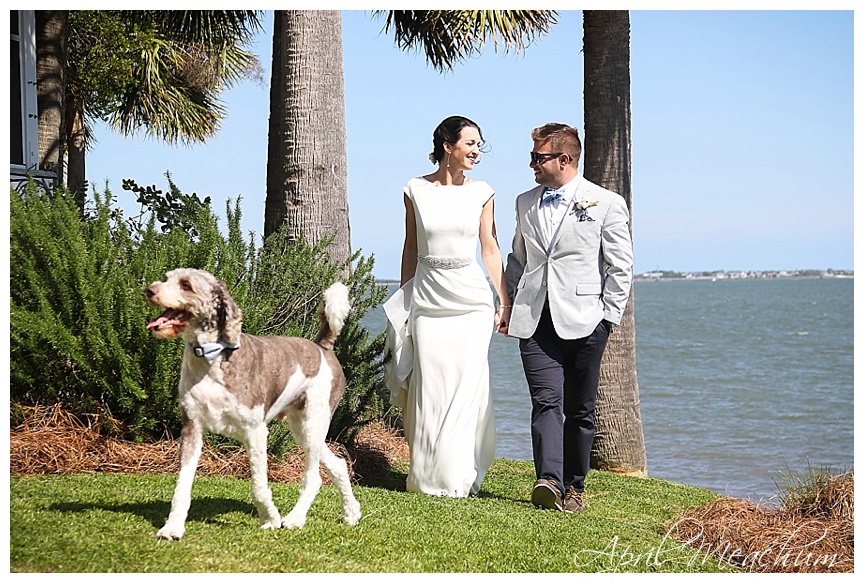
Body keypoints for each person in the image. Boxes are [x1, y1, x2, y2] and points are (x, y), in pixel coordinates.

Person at [499, 122, 633, 513]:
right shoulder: (525, 201)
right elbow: (518, 259)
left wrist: (608, 319)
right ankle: (548, 481)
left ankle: (575, 488)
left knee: (580, 409)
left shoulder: (606, 203)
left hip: (587, 320)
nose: (531, 165)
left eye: (538, 158)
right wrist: (508, 306)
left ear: (564, 159)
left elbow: (620, 267)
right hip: (533, 319)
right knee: (545, 401)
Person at [384, 115, 509, 497]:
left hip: (470, 301)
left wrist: (502, 298)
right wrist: (405, 297)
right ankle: (425, 475)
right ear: (447, 146)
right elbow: (411, 246)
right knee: (431, 387)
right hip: (428, 297)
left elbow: (489, 248)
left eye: (478, 144)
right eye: (470, 143)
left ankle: (459, 477)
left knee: (465, 387)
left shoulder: (483, 191)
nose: (476, 151)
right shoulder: (414, 189)